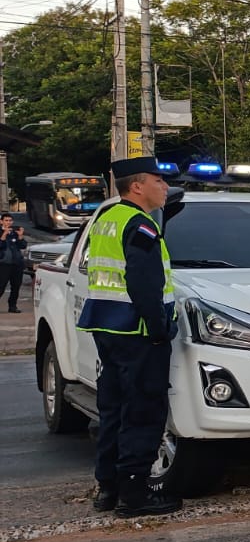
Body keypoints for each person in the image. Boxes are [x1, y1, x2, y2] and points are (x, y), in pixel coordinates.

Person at [76, 158, 181, 517]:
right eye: (158, 180)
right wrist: (159, 329)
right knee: (143, 411)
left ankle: (108, 488)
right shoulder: (140, 225)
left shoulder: (107, 219)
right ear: (137, 186)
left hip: (108, 329)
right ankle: (135, 495)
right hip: (138, 332)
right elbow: (144, 284)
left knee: (114, 411)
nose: (164, 187)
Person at [0, 213, 26, 313]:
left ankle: (12, 306)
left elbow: (23, 246)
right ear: (1, 221)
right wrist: (4, 234)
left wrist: (20, 236)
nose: (8, 222)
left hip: (16, 264)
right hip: (4, 264)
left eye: (10, 220)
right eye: (6, 220)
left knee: (16, 286)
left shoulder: (15, 232)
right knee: (1, 286)